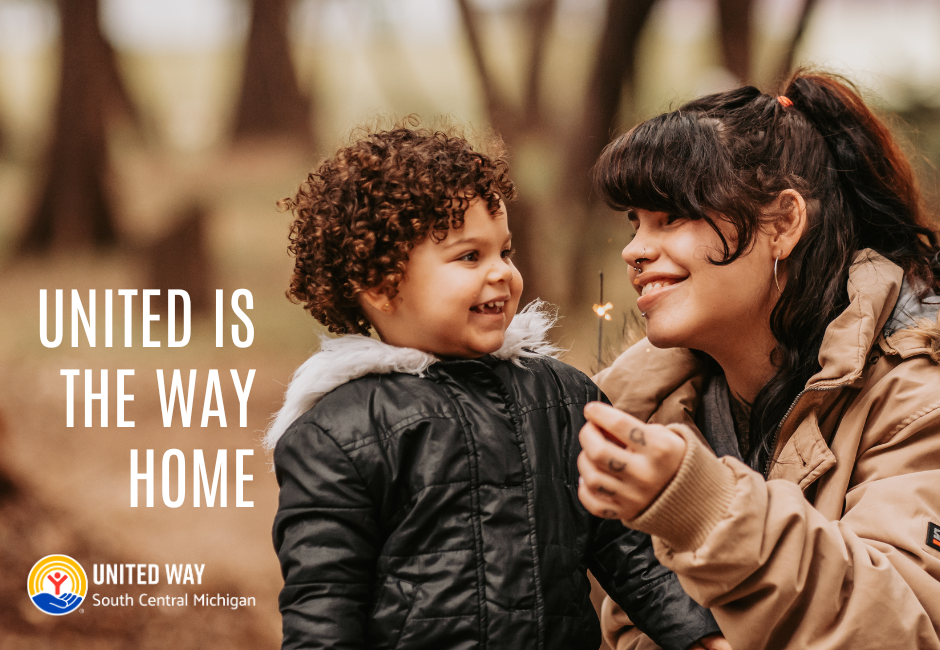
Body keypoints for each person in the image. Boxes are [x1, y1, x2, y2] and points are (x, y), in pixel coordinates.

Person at [265, 122, 724, 649]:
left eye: (504, 252)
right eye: (469, 256)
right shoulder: (341, 435)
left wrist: (700, 639)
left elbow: (632, 553)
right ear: (380, 284)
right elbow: (323, 608)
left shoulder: (562, 399)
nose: (501, 274)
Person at [576, 71, 940, 650]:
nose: (634, 250)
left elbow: (907, 628)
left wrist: (705, 509)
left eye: (671, 216)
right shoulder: (638, 413)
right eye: (635, 223)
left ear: (783, 223)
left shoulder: (919, 399)